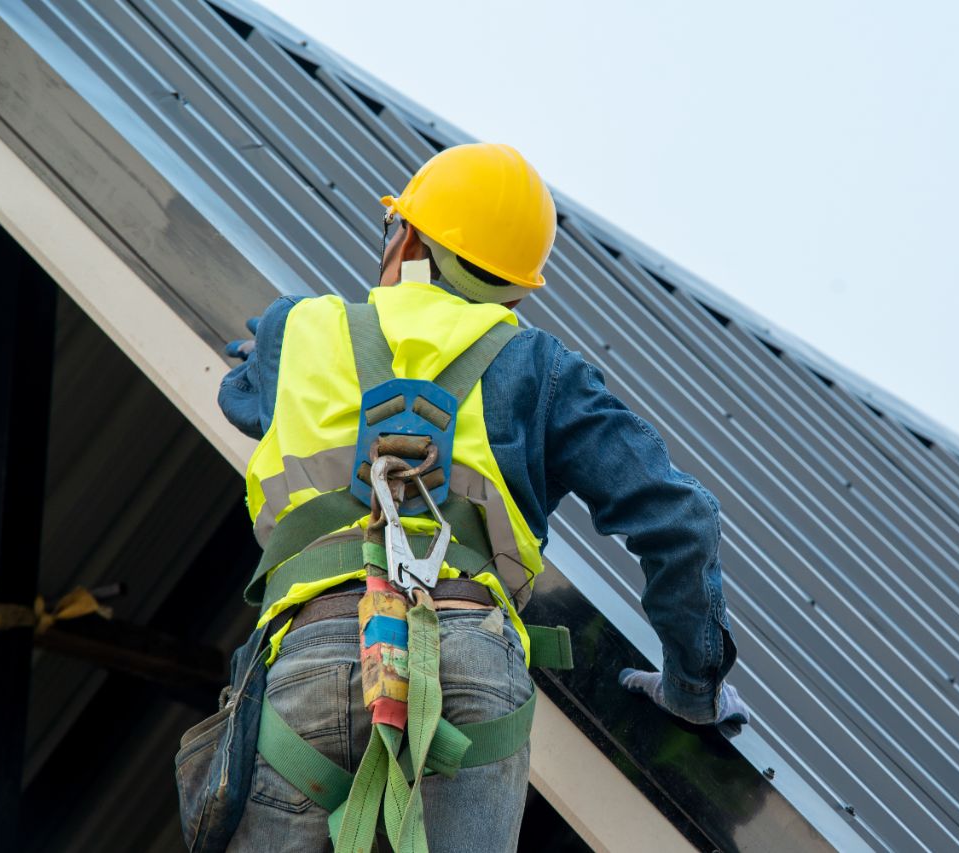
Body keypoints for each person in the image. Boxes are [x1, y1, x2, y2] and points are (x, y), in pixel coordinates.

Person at [215, 142, 747, 853]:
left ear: (405, 238)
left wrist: (273, 363)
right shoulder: (542, 370)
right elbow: (683, 518)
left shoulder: (299, 330)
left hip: (312, 656)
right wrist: (694, 682)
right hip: (469, 666)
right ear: (516, 294)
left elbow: (241, 396)